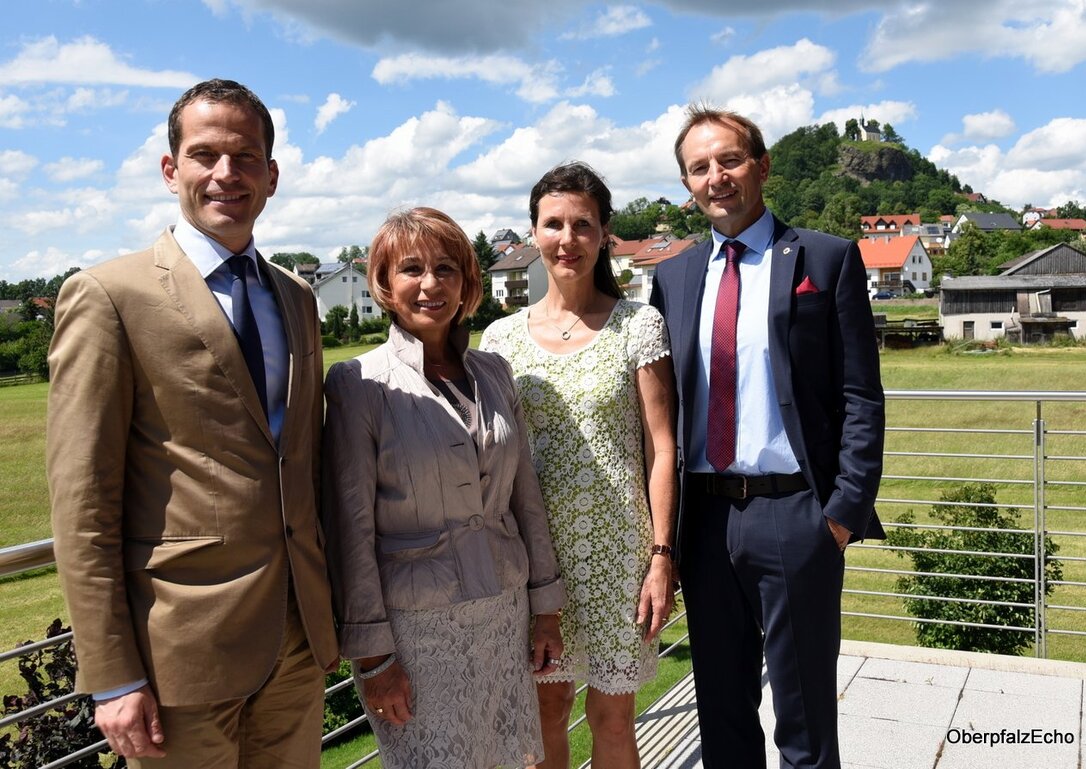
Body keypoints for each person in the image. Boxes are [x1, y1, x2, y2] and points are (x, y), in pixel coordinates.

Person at [46, 79, 339, 768]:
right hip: (177, 661)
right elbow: (82, 503)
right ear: (171, 168)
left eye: (245, 156)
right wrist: (113, 673)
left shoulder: (297, 298)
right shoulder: (109, 295)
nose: (225, 174)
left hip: (296, 647)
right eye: (205, 154)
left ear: (272, 175)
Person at [649, 105, 885, 769]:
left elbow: (862, 394)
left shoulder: (826, 258)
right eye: (699, 167)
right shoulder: (674, 276)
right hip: (705, 516)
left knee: (805, 717)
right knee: (720, 711)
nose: (716, 176)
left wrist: (839, 512)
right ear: (687, 185)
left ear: (762, 165)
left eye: (729, 159)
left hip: (795, 512)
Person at [321, 207, 566, 768]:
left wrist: (545, 608)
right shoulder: (359, 383)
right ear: (384, 284)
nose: (430, 284)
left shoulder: (495, 371)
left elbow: (524, 496)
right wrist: (374, 657)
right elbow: (351, 528)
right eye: (411, 269)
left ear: (467, 283)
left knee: (514, 757)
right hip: (418, 631)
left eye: (446, 268)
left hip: (504, 612)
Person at [482, 162, 678, 769]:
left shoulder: (637, 326)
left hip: (619, 554)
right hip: (535, 559)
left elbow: (662, 448)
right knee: (545, 711)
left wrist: (661, 557)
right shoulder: (500, 340)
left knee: (613, 716)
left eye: (582, 225)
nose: (567, 239)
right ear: (534, 232)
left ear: (605, 234)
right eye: (553, 224)